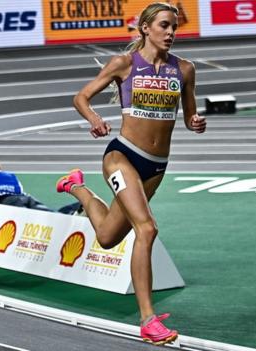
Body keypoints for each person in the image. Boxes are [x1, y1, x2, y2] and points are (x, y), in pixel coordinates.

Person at [56, 2, 206, 345]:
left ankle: (77, 188)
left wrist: (195, 123)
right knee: (147, 228)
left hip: (156, 165)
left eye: (174, 27)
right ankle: (148, 319)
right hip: (122, 156)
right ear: (145, 28)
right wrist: (94, 119)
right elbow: (81, 97)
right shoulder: (124, 64)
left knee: (108, 237)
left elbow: (188, 116)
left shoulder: (184, 69)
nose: (171, 33)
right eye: (165, 26)